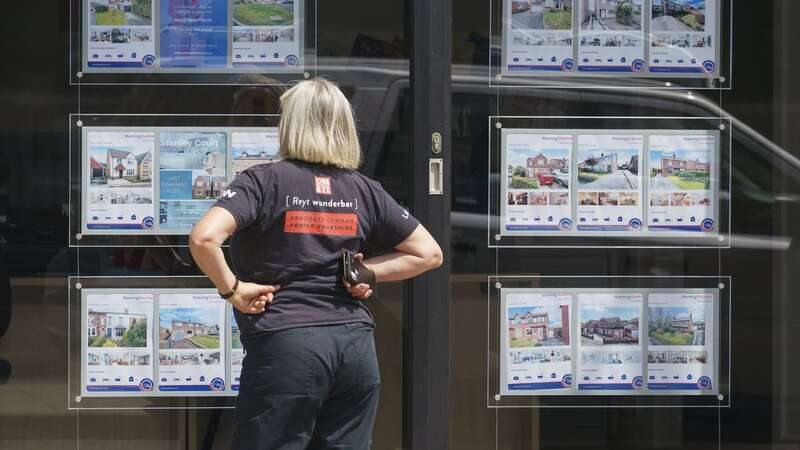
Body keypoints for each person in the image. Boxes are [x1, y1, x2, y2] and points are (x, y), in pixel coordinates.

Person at [189, 78, 443, 450]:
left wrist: (233, 290)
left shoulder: (261, 181)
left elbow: (203, 238)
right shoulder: (364, 189)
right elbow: (429, 253)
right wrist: (368, 272)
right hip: (354, 348)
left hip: (287, 345)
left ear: (289, 124)